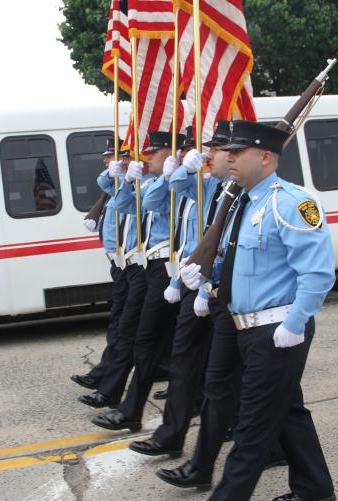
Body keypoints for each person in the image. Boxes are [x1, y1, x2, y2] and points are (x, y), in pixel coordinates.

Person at [167, 120, 337, 501]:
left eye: (237, 152)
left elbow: (317, 274)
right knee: (287, 410)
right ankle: (315, 485)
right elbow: (237, 260)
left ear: (265, 157)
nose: (228, 158)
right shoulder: (244, 202)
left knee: (254, 427)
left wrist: (296, 323)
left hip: (277, 329)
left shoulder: (292, 202)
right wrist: (204, 280)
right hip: (246, 326)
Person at [127, 123, 227, 456]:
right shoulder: (194, 185)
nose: (204, 155)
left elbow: (222, 243)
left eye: (214, 149)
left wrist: (203, 289)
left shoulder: (218, 187)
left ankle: (272, 439)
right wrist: (180, 169)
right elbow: (152, 201)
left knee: (230, 371)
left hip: (214, 287)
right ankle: (171, 437)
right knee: (186, 361)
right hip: (189, 280)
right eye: (188, 150)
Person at [91, 131, 184, 432]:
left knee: (152, 341)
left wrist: (171, 176)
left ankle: (132, 407)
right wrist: (126, 179)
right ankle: (128, 405)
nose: (146, 157)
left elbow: (153, 203)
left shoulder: (182, 184)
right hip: (147, 265)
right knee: (144, 337)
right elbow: (122, 204)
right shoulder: (155, 182)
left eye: (153, 152)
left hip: (169, 267)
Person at [71, 139, 131, 395]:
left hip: (131, 262)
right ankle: (104, 375)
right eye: (108, 157)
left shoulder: (133, 184)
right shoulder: (116, 183)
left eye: (113, 156)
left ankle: (104, 376)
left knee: (123, 325)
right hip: (118, 262)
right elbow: (103, 182)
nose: (108, 161)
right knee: (126, 324)